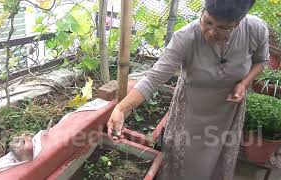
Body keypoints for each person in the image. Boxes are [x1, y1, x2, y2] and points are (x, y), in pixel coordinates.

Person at [107, 0, 269, 179]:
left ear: (238, 23)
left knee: (217, 160)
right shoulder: (185, 37)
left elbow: (261, 61)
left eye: (223, 28)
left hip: (228, 112)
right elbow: (154, 78)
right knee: (186, 162)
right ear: (203, 11)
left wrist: (244, 83)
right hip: (191, 112)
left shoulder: (256, 29)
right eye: (207, 21)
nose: (211, 32)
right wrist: (121, 108)